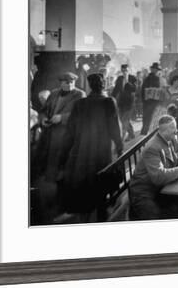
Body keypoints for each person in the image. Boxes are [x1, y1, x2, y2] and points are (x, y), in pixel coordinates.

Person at [56, 73, 123, 222]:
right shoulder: (108, 102)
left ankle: (85, 216)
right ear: (103, 84)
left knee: (86, 183)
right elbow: (115, 129)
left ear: (89, 85)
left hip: (82, 151)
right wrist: (120, 147)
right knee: (102, 182)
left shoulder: (80, 104)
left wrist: (63, 156)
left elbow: (70, 133)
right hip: (102, 150)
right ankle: (101, 216)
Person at [129, 116, 178, 220]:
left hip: (161, 188)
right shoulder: (152, 148)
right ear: (164, 131)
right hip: (143, 192)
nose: (176, 131)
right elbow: (158, 176)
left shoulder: (170, 138)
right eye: (173, 128)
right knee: (156, 217)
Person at [33, 72, 85, 183]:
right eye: (66, 83)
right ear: (61, 83)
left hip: (67, 133)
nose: (70, 85)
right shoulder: (53, 93)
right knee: (47, 159)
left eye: (72, 82)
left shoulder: (80, 95)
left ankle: (62, 182)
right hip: (49, 132)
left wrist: (62, 118)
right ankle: (49, 181)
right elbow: (43, 111)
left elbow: (80, 115)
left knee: (63, 161)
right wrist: (43, 119)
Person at [140, 62, 163, 135]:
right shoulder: (156, 79)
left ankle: (143, 134)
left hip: (148, 102)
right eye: (154, 69)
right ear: (152, 69)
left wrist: (143, 100)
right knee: (150, 119)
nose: (155, 71)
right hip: (152, 103)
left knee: (146, 119)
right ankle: (145, 136)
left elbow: (142, 90)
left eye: (156, 69)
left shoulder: (147, 78)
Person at [117, 75, 138, 142]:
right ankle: (131, 134)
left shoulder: (122, 93)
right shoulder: (131, 94)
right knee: (126, 122)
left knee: (124, 122)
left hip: (123, 109)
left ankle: (125, 136)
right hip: (127, 110)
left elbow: (119, 101)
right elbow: (131, 104)